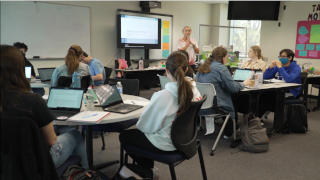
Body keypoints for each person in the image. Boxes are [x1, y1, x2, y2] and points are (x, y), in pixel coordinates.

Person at [0, 45, 89, 169]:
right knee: (75, 134)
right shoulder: (32, 101)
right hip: (36, 162)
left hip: (5, 163)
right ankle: (86, 173)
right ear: (19, 69)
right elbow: (51, 140)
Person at [119, 51, 202, 178]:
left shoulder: (163, 96)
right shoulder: (194, 90)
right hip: (187, 141)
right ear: (186, 70)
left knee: (125, 136)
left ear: (166, 71)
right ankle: (147, 171)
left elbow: (144, 126)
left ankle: (148, 171)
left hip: (166, 144)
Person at [196, 47, 251, 138]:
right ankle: (229, 133)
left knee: (228, 99)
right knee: (233, 103)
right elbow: (233, 88)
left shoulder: (202, 67)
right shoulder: (221, 68)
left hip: (200, 105)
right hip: (215, 106)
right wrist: (244, 83)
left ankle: (229, 128)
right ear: (223, 58)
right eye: (226, 57)